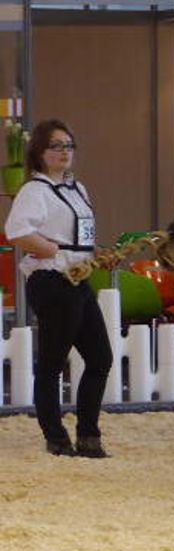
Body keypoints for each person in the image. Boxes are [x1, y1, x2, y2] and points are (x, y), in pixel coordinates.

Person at [4, 119, 114, 458]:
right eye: (56, 146)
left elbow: (78, 238)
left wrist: (96, 254)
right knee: (53, 361)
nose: (64, 152)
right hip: (52, 280)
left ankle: (88, 435)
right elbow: (17, 231)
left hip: (79, 276)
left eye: (68, 145)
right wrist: (53, 250)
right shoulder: (34, 191)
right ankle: (56, 437)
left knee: (100, 357)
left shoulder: (77, 189)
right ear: (39, 152)